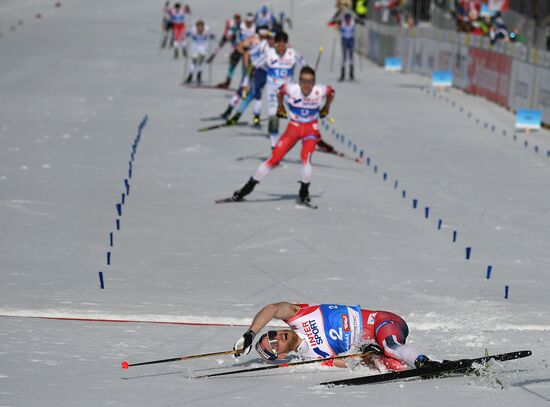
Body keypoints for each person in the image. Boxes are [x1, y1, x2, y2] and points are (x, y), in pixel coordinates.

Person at [233, 302, 440, 370]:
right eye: (273, 344)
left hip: (382, 322)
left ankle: (423, 362)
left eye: (272, 334)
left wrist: (251, 333)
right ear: (280, 356)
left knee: (389, 346)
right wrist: (366, 354)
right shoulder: (314, 357)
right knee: (386, 364)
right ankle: (435, 368)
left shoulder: (298, 317)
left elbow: (271, 309)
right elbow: (352, 363)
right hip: (373, 343)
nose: (277, 337)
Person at [231, 66, 333, 204]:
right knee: (274, 158)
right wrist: (280, 107)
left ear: (314, 82)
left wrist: (326, 107)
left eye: (310, 81)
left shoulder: (319, 90)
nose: (306, 85)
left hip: (311, 129)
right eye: (303, 81)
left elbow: (331, 92)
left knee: (306, 158)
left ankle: (304, 191)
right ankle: (247, 189)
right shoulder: (292, 89)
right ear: (299, 81)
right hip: (294, 128)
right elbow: (279, 91)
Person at [254, 31, 305, 148]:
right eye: (278, 45)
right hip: (273, 91)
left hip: (288, 90)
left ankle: (307, 136)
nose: (281, 49)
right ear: (274, 44)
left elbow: (305, 67)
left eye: (283, 46)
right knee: (273, 117)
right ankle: (274, 146)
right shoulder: (269, 54)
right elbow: (256, 66)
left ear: (287, 44)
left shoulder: (293, 54)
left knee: (299, 112)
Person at [224, 27, 274, 126]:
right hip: (258, 71)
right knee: (248, 93)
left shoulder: (275, 46)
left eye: (271, 38)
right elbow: (246, 52)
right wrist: (247, 68)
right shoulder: (261, 43)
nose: (269, 40)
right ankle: (233, 113)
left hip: (270, 74)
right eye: (268, 38)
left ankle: (251, 117)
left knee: (255, 94)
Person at [184, 20, 213, 85]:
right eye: (198, 27)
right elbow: (185, 33)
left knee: (201, 62)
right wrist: (187, 34)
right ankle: (190, 76)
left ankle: (199, 75)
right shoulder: (193, 30)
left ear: (203, 27)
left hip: (203, 48)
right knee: (194, 62)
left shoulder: (206, 30)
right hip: (195, 48)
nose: (200, 29)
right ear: (196, 27)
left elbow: (212, 35)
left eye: (201, 27)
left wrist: (211, 36)